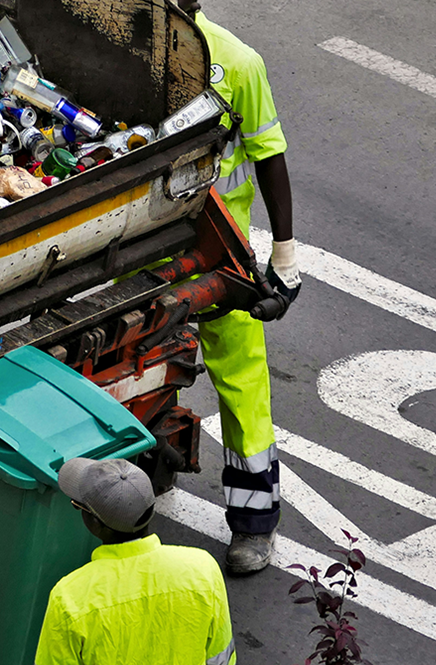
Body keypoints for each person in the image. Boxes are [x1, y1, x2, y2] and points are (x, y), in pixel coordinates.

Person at [178, 0, 301, 575]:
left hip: (217, 251)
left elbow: (269, 156)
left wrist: (285, 253)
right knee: (134, 360)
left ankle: (255, 523)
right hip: (144, 242)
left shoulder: (238, 63)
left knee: (241, 381)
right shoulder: (129, 47)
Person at [35, 457, 236, 665]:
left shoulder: (70, 598)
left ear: (95, 523)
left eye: (78, 506)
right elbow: (221, 656)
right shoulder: (203, 569)